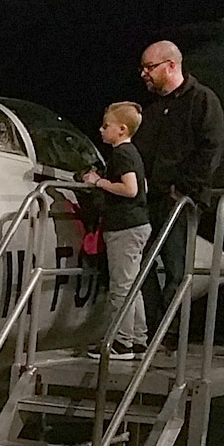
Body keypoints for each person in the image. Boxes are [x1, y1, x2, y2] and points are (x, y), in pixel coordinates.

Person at [135, 40, 224, 330]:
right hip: (151, 198)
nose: (144, 74)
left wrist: (186, 188)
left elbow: (214, 146)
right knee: (140, 263)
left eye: (150, 67)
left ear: (171, 65)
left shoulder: (201, 100)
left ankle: (169, 331)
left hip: (180, 200)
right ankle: (153, 326)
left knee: (176, 268)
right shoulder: (153, 109)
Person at [81, 102, 150, 359]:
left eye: (106, 126)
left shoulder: (121, 154)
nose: (101, 129)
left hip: (125, 227)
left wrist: (99, 182)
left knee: (120, 286)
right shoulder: (132, 153)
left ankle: (121, 342)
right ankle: (138, 339)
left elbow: (131, 188)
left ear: (121, 130)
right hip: (137, 224)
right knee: (132, 284)